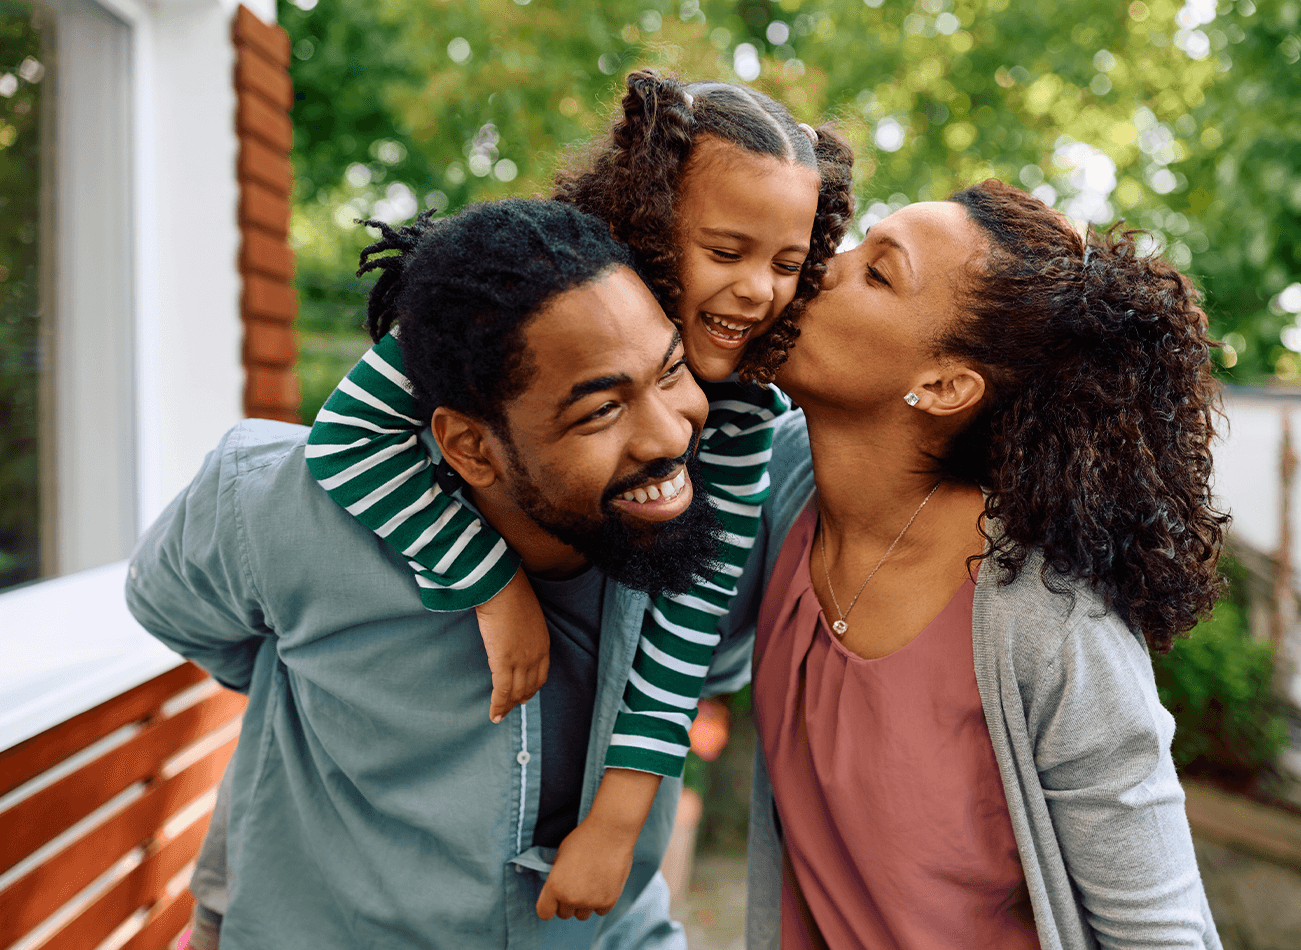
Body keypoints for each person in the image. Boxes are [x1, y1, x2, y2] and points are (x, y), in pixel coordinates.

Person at [125, 199, 796, 949]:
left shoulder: (711, 512)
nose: (671, 433)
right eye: (601, 411)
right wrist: (327, 688)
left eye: (671, 371)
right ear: (472, 448)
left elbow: (718, 664)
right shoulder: (274, 506)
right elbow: (179, 614)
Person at [301, 69, 853, 921]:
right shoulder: (521, 296)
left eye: (788, 262)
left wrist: (616, 822)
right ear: (650, 222)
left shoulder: (740, 400)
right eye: (726, 252)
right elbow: (346, 436)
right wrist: (494, 586)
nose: (758, 291)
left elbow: (688, 615)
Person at [743, 180, 1229, 949]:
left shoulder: (1050, 617)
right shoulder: (776, 488)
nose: (819, 267)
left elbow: (1161, 931)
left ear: (943, 385)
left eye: (877, 272)